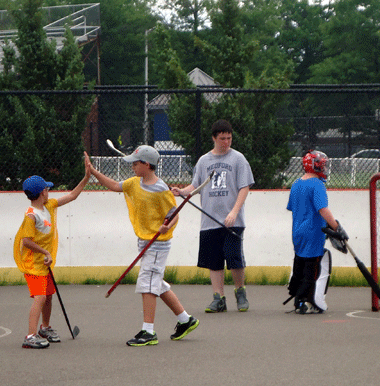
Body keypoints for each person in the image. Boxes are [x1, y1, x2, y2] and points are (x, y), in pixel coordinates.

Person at [84, 146, 199, 346]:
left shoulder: (161, 189)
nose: (133, 167)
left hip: (158, 243)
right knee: (157, 283)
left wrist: (166, 227)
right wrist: (93, 172)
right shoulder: (133, 183)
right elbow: (113, 185)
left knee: (147, 283)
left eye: (136, 164)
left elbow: (174, 213)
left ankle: (148, 332)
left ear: (147, 165)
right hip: (144, 241)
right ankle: (185, 320)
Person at [172, 119, 254, 313]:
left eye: (229, 138)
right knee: (214, 261)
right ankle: (218, 297)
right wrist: (182, 191)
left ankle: (240, 292)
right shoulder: (204, 161)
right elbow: (196, 186)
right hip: (209, 221)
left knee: (234, 257)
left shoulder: (238, 159)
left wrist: (234, 212)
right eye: (222, 138)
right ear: (214, 138)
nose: (226, 142)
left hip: (232, 221)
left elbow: (244, 187)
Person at [14, 164, 90, 349]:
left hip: (45, 263)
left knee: (48, 295)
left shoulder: (49, 205)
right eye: (47, 189)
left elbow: (72, 195)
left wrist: (87, 177)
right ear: (42, 193)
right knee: (40, 297)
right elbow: (26, 241)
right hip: (33, 264)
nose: (49, 191)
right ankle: (30, 336)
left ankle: (45, 328)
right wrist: (45, 252)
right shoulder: (31, 216)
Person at [286, 150, 346, 314]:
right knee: (312, 268)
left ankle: (297, 295)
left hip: (297, 232)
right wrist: (336, 227)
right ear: (315, 166)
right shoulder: (318, 185)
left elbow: (293, 208)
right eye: (323, 164)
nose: (325, 168)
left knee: (300, 262)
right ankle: (306, 300)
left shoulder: (296, 184)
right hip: (313, 232)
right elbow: (323, 209)